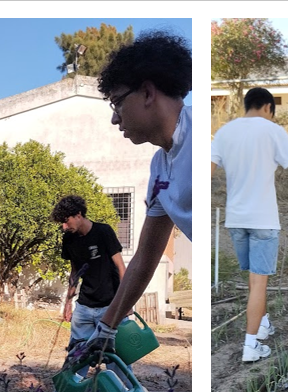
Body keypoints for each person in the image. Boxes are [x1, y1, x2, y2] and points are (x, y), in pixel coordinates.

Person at [70, 30, 191, 363]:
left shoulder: (202, 144)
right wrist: (106, 331)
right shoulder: (159, 168)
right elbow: (145, 258)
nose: (114, 117)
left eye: (117, 102)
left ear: (148, 92)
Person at [210, 87, 288, 362]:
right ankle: (251, 346)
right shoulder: (272, 131)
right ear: (267, 107)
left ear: (247, 105)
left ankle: (262, 324)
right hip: (263, 220)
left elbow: (207, 173)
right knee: (259, 281)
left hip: (236, 221)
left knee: (254, 279)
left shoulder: (224, 133)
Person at [52, 195, 125, 355]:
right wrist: (68, 303)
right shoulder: (69, 239)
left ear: (78, 215)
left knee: (115, 358)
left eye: (66, 221)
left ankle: (123, 381)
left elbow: (120, 267)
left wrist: (125, 304)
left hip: (110, 306)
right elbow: (74, 273)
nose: (64, 227)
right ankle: (75, 380)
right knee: (76, 356)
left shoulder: (103, 231)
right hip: (84, 307)